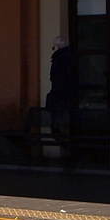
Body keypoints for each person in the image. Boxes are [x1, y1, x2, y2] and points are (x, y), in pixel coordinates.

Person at [46, 36, 76, 167]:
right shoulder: (73, 58)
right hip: (69, 100)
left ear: (58, 46)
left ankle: (68, 156)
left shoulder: (58, 60)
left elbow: (56, 81)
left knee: (60, 128)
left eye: (53, 47)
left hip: (60, 101)